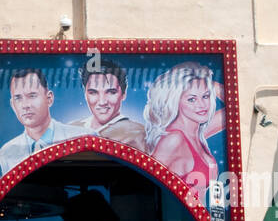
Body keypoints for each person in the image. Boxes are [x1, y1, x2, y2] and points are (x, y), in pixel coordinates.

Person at [144, 64, 226, 201]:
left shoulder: (196, 132)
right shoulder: (174, 139)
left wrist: (204, 79)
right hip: (177, 220)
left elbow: (234, 107)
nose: (202, 105)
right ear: (175, 101)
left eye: (205, 96)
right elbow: (146, 183)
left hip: (198, 220)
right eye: (192, 99)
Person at [0, 69, 73, 175]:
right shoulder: (6, 152)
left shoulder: (80, 137)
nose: (25, 105)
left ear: (49, 98)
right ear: (12, 105)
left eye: (32, 96)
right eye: (18, 98)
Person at [70, 59, 147, 153]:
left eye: (111, 92)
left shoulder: (137, 134)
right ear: (85, 94)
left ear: (123, 93)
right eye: (93, 92)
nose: (102, 102)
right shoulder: (71, 128)